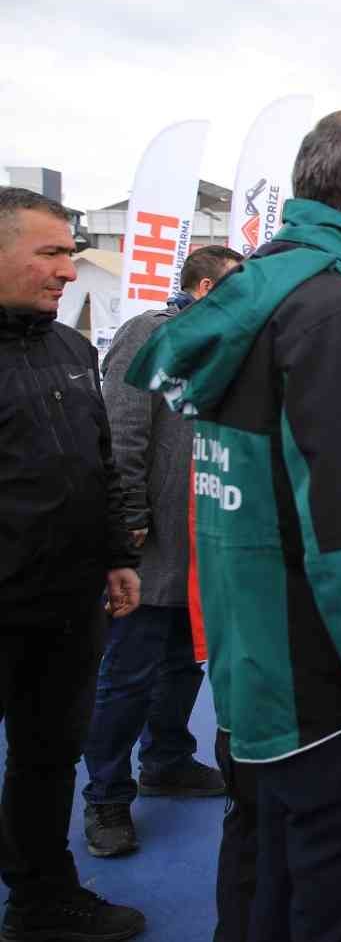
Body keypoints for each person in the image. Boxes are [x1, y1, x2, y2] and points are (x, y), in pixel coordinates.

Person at [125, 108, 341, 942]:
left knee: (259, 896)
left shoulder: (258, 298)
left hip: (255, 678)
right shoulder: (339, 319)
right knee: (339, 910)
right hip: (334, 698)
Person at [0, 187, 146, 940]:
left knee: (49, 757)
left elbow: (100, 460)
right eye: (50, 253)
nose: (68, 270)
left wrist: (117, 554)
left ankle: (41, 899)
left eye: (70, 252)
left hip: (66, 604)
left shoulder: (69, 347)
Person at [81, 245, 241, 860]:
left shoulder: (226, 350)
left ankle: (168, 760)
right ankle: (106, 797)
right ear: (203, 289)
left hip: (204, 547)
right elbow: (122, 432)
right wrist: (128, 523)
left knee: (183, 664)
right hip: (151, 546)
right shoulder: (149, 334)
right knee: (127, 676)